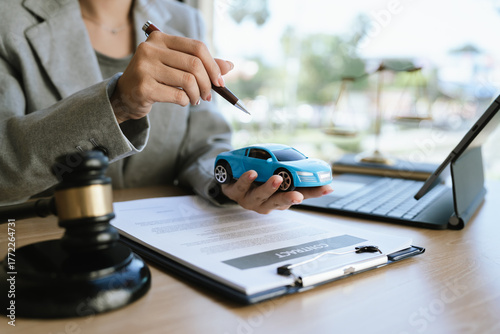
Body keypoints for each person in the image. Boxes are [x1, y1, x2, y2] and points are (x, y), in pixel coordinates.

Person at [0, 0, 332, 213]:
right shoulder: (8, 18)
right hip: (44, 249)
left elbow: (202, 144)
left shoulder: (185, 19)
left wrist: (228, 184)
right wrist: (118, 103)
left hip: (167, 249)